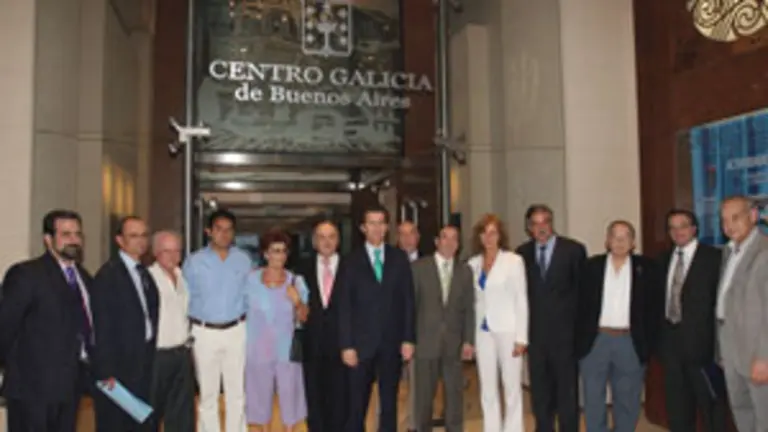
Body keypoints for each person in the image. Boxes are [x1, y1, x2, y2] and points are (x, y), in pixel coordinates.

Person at [0, 210, 92, 432]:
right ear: (48, 239)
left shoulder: (84, 277)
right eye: (66, 234)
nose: (74, 240)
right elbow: (5, 327)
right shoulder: (26, 274)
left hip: (70, 387)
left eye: (77, 234)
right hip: (32, 390)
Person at [576, 220, 661, 432]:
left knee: (627, 399)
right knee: (593, 398)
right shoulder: (590, 267)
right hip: (596, 341)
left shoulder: (647, 269)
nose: (620, 241)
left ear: (633, 242)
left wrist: (649, 343)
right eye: (615, 236)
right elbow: (578, 306)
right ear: (607, 241)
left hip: (629, 341)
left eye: (626, 237)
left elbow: (654, 309)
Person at [337, 204, 416, 432]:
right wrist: (346, 345)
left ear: (387, 227)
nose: (377, 228)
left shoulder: (399, 258)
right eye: (371, 223)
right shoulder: (350, 261)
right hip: (360, 346)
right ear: (363, 227)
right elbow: (344, 306)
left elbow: (408, 301)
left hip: (391, 344)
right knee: (357, 404)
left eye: (381, 222)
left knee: (389, 402)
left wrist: (408, 338)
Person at [514, 204, 585, 432]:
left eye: (545, 222)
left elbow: (583, 295)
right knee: (541, 396)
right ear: (528, 228)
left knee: (567, 395)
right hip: (536, 339)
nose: (541, 228)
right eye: (535, 223)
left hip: (566, 338)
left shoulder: (573, 250)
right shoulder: (521, 254)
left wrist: (580, 335)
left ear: (552, 223)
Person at [183, 209, 251, 432]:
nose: (224, 234)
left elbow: (250, 295)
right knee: (208, 393)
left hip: (236, 330)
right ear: (209, 232)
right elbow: (183, 298)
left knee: (237, 392)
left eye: (229, 230)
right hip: (204, 333)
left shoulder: (243, 260)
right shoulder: (194, 262)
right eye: (219, 229)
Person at [657, 209, 724, 432]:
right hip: (671, 347)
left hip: (703, 348)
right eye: (672, 227)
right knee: (677, 409)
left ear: (694, 229)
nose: (678, 232)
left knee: (710, 409)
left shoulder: (714, 258)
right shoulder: (663, 259)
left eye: (683, 225)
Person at [91, 216, 160, 431]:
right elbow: (101, 325)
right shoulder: (108, 275)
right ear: (119, 240)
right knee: (116, 425)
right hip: (117, 371)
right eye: (133, 236)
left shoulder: (144, 274)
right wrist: (105, 371)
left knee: (140, 424)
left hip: (143, 364)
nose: (140, 241)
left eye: (144, 235)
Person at [467, 214, 528, 432]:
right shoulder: (472, 264)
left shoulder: (513, 261)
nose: (488, 237)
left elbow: (521, 299)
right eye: (484, 233)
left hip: (508, 331)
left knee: (512, 388)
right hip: (483, 332)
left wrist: (521, 338)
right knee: (487, 389)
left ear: (500, 235)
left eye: (493, 232)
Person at [411, 225, 474, 432]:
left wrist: (468, 340)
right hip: (425, 342)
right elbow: (411, 306)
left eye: (455, 239)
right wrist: (409, 339)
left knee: (454, 396)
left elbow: (468, 308)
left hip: (454, 344)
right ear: (437, 241)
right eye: (445, 238)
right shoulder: (419, 268)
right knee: (424, 397)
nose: (449, 243)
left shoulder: (465, 271)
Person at [244, 229, 308, 431]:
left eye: (282, 251)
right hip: (257, 351)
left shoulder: (296, 281)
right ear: (265, 254)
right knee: (258, 402)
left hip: (286, 351)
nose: (279, 256)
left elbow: (305, 317)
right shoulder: (251, 281)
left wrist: (297, 301)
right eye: (274, 250)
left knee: (290, 402)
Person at [716, 196, 768, 431]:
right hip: (731, 349)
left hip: (757, 354)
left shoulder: (764, 251)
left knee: (763, 416)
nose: (729, 226)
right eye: (724, 220)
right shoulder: (729, 252)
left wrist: (765, 357)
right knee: (741, 411)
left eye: (735, 218)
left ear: (754, 216)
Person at [296, 221, 348, 432]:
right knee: (314, 401)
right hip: (312, 346)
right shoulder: (301, 270)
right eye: (322, 237)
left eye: (332, 236)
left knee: (341, 402)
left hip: (343, 346)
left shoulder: (351, 267)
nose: (327, 242)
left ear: (338, 240)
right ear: (314, 241)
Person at [147, 231, 195, 431]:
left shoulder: (183, 277)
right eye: (167, 251)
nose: (173, 256)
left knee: (182, 415)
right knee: (151, 412)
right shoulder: (148, 278)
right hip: (157, 356)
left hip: (182, 354)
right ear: (156, 252)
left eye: (177, 251)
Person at [396, 220, 424, 432]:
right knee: (389, 389)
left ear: (418, 237)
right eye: (402, 234)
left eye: (411, 233)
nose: (407, 238)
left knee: (418, 389)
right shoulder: (388, 263)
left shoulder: (429, 263)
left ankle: (413, 427)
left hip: (421, 336)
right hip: (391, 337)